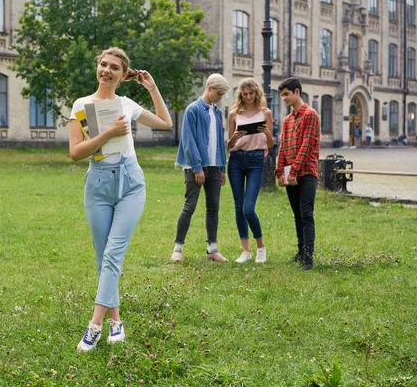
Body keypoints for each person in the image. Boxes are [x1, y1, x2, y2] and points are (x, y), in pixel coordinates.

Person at [69, 47, 172, 352]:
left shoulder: (126, 104)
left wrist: (152, 89)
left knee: (113, 253)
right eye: (103, 64)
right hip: (98, 185)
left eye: (114, 67)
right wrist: (109, 132)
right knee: (104, 258)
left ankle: (94, 326)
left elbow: (165, 123)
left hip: (130, 183)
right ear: (97, 67)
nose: (107, 70)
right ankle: (117, 321)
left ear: (122, 75)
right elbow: (76, 152)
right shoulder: (82, 105)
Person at [171, 74, 230, 262]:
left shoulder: (218, 113)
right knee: (190, 206)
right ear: (210, 87)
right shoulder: (193, 110)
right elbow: (188, 141)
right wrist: (197, 168)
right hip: (195, 167)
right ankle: (177, 249)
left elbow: (220, 142)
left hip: (214, 167)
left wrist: (222, 169)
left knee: (213, 208)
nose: (220, 97)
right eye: (219, 93)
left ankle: (212, 249)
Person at [226, 78, 274, 264]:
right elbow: (229, 144)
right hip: (236, 160)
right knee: (239, 207)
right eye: (244, 94)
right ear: (240, 95)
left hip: (256, 160)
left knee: (248, 208)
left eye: (251, 94)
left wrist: (267, 133)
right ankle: (245, 251)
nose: (247, 97)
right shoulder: (233, 114)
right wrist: (235, 137)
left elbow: (270, 144)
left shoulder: (265, 113)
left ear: (256, 94)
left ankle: (260, 248)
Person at [275, 77, 321, 270]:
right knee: (297, 215)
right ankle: (301, 250)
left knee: (306, 213)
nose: (284, 98)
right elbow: (284, 146)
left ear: (297, 92)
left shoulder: (310, 115)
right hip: (289, 174)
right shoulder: (287, 120)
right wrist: (280, 171)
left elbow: (306, 145)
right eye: (282, 95)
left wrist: (294, 171)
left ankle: (308, 256)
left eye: (286, 94)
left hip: (307, 172)